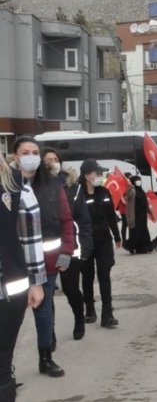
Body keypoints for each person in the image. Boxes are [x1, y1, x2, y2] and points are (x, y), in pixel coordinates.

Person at [0, 159, 47, 402]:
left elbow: (30, 233)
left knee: (1, 367)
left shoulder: (14, 181)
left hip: (7, 292)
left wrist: (36, 282)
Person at [12, 137, 74, 378]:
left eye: (35, 151)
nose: (31, 156)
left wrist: (67, 251)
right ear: (16, 157)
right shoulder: (8, 185)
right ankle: (5, 368)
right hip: (14, 264)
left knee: (44, 310)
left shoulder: (51, 184)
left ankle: (46, 358)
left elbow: (67, 220)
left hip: (46, 262)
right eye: (25, 152)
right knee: (13, 315)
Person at [44, 149, 93, 341]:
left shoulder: (74, 187)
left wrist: (86, 247)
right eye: (49, 160)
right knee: (47, 294)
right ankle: (50, 332)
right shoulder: (37, 186)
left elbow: (84, 220)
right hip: (46, 249)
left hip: (69, 247)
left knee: (71, 289)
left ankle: (79, 318)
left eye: (56, 159)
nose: (54, 163)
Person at [80, 159, 121, 328]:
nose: (100, 176)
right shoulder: (78, 194)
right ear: (87, 176)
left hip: (104, 240)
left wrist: (117, 236)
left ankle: (107, 313)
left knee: (104, 274)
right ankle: (89, 308)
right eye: (97, 173)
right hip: (85, 242)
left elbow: (111, 215)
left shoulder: (104, 192)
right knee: (88, 276)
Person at [123, 175, 153, 255]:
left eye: (139, 180)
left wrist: (150, 212)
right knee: (136, 231)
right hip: (134, 214)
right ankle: (132, 247)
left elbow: (145, 202)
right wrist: (128, 187)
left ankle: (143, 248)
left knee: (143, 230)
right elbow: (127, 195)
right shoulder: (132, 190)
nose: (139, 181)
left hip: (142, 214)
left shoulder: (141, 190)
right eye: (137, 180)